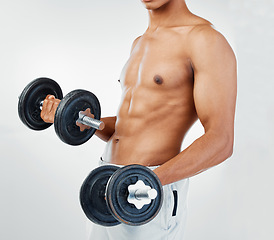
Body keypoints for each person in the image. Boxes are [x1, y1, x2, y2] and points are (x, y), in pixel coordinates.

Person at [41, 0, 237, 239]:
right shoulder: (139, 43)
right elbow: (129, 127)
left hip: (146, 190)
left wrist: (152, 180)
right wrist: (78, 119)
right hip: (105, 182)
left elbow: (221, 140)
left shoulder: (205, 40)